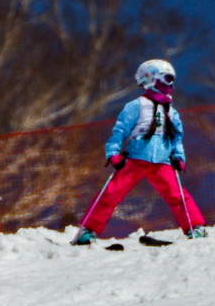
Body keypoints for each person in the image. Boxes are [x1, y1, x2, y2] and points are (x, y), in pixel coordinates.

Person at [71, 59, 207, 245]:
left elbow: (176, 137)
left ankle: (194, 227)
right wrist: (113, 152)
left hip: (162, 162)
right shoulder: (136, 106)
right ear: (151, 79)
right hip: (136, 159)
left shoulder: (171, 112)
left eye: (172, 80)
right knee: (112, 192)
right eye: (166, 79)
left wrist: (179, 156)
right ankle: (87, 230)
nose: (170, 85)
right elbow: (119, 131)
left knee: (177, 195)